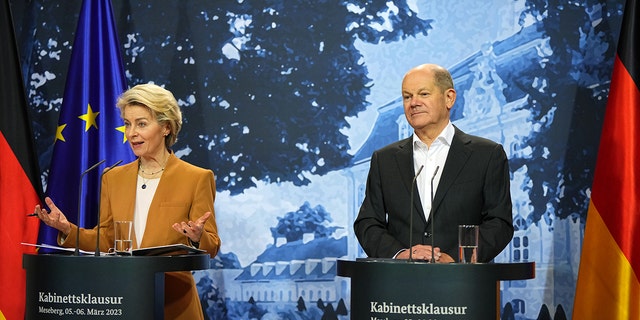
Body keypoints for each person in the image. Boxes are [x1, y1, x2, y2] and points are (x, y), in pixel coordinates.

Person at [35, 83, 221, 319]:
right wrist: (67, 229)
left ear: (165, 127)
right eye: (127, 124)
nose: (131, 133)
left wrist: (196, 238)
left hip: (174, 304)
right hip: (124, 300)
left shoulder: (196, 178)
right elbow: (107, 238)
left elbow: (212, 245)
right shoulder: (113, 177)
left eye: (141, 124)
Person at [354, 63, 513, 263]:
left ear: (449, 98)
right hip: (400, 283)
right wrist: (400, 254)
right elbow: (367, 222)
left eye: (423, 94)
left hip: (463, 284)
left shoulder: (487, 154)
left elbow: (498, 223)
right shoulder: (384, 160)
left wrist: (453, 258)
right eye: (407, 96)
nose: (413, 103)